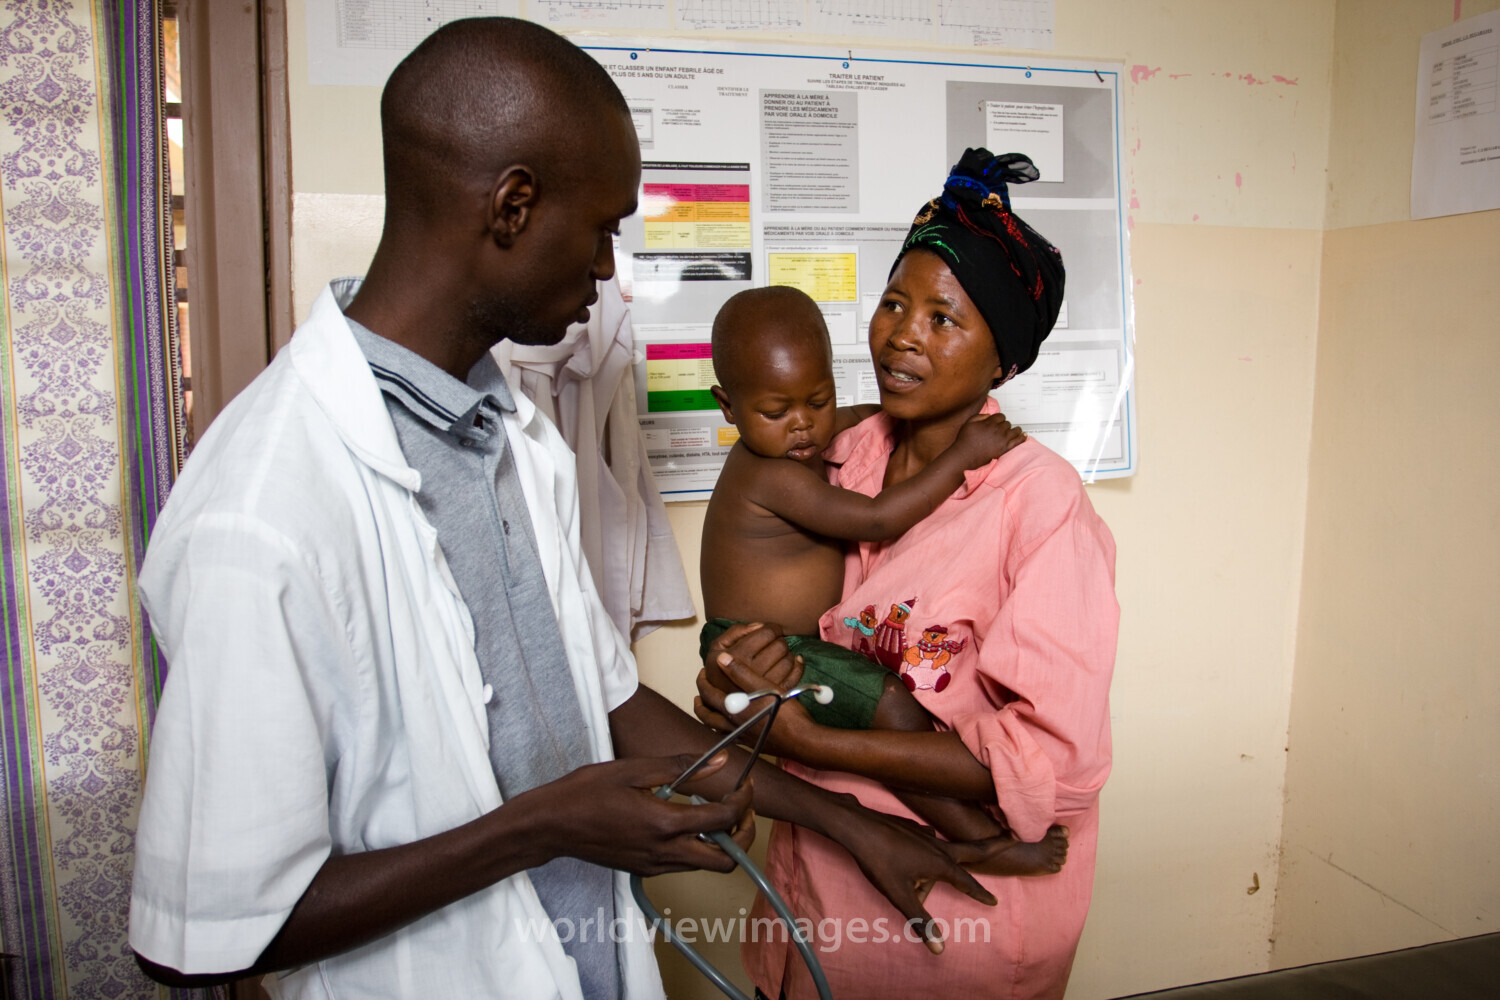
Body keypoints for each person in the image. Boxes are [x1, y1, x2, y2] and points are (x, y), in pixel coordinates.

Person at [126, 21, 995, 1000]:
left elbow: (611, 702)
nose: (608, 269)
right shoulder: (265, 510)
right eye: (603, 229)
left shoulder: (512, 437)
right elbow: (201, 937)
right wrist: (543, 824)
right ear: (513, 205)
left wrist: (849, 822)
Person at [697, 149, 1119, 999]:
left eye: (942, 318)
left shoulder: (1040, 506)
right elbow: (758, 646)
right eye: (894, 302)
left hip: (950, 940)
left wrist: (811, 741)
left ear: (1002, 361)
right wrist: (736, 687)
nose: (902, 335)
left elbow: (1052, 764)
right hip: (811, 911)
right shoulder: (835, 455)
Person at [699, 285, 1067, 874]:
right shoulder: (769, 472)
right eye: (777, 412)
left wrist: (912, 410)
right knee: (894, 710)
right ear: (727, 407)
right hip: (772, 650)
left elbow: (860, 417)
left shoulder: (804, 437)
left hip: (790, 645)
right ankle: (982, 841)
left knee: (886, 718)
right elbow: (877, 517)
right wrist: (961, 455)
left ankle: (963, 835)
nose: (803, 428)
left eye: (818, 402)